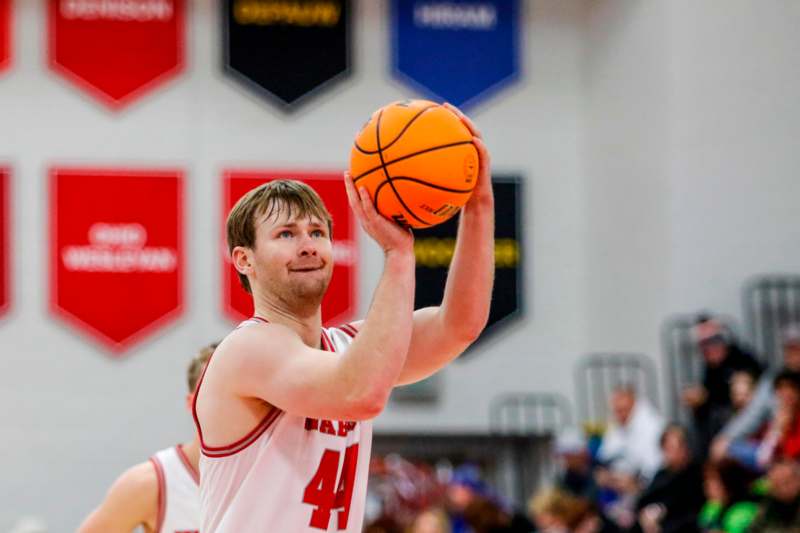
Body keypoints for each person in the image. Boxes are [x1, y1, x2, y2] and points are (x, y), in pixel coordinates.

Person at [192, 105, 495, 532]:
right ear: (244, 259)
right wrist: (397, 255)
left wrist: (479, 203)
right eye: (286, 234)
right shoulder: (248, 349)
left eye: (318, 232)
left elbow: (459, 325)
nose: (308, 245)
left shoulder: (352, 349)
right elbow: (361, 394)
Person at [77, 343, 216, 533]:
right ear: (192, 404)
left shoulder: (266, 476)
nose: (226, 402)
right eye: (214, 390)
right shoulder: (153, 482)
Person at [712, 324, 800, 461]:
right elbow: (753, 414)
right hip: (777, 451)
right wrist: (725, 438)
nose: (792, 354)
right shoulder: (774, 379)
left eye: (796, 348)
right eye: (788, 348)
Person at [683, 316, 762, 453]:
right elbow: (712, 396)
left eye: (714, 341)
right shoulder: (710, 369)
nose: (709, 348)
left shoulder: (742, 359)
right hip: (722, 426)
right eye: (704, 345)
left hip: (749, 423)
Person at [634, 424, 704, 533]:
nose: (668, 454)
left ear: (685, 448)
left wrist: (662, 513)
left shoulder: (695, 475)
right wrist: (646, 516)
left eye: (672, 448)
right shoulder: (661, 474)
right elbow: (645, 499)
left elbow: (690, 511)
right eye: (665, 448)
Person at [697, 459, 759, 533]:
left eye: (713, 481)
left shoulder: (746, 511)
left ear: (729, 482)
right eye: (706, 480)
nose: (706, 486)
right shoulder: (711, 507)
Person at [748, 459, 800, 532]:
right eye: (776, 485)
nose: (781, 489)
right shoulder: (770, 503)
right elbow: (754, 528)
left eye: (786, 483)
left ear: (798, 480)